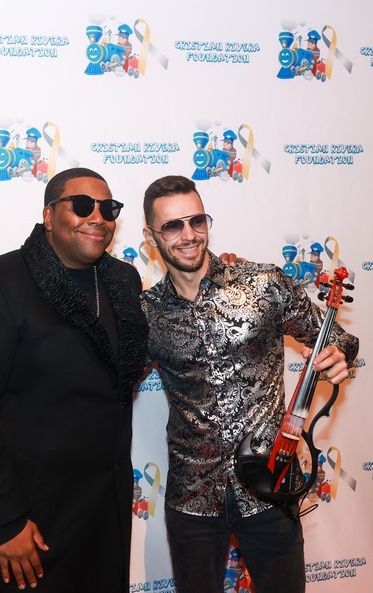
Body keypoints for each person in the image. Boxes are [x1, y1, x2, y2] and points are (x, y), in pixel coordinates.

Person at [139, 175, 359, 593]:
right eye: (172, 226)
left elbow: (336, 338)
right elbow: (108, 384)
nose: (189, 235)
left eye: (197, 221)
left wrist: (338, 355)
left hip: (271, 484)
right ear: (150, 236)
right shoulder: (147, 313)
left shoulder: (264, 284)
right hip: (192, 496)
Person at [0, 167, 148, 592]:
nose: (97, 217)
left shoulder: (123, 281)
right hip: (28, 518)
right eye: (82, 205)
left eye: (108, 208)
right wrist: (4, 520)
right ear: (49, 215)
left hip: (104, 511)